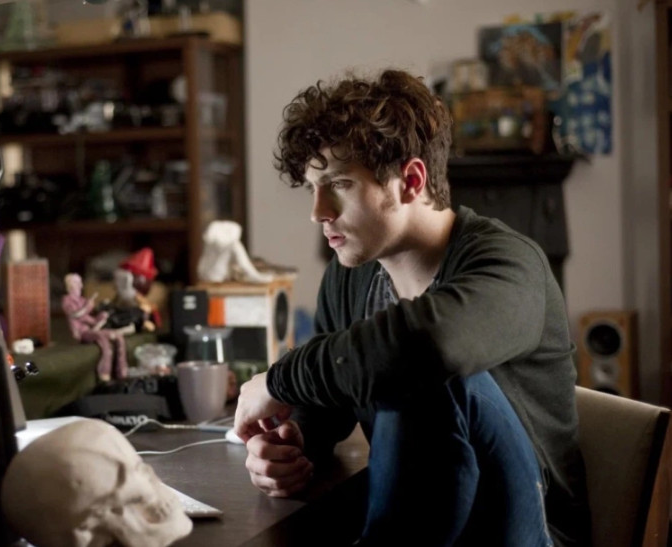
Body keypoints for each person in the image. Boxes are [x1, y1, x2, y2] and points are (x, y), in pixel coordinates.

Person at [233, 69, 590, 546]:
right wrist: (290, 447)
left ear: (411, 180)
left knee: (426, 371)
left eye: (339, 183)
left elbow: (430, 345)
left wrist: (279, 378)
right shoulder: (349, 275)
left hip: (533, 533)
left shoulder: (511, 264)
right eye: (312, 187)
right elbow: (327, 402)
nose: (318, 211)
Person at [61, 273, 128, 381]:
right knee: (103, 339)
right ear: (71, 285)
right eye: (78, 283)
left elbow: (88, 318)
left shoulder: (82, 300)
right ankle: (104, 371)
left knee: (118, 336)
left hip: (91, 330)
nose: (81, 286)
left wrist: (100, 318)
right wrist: (87, 306)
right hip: (82, 333)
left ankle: (121, 370)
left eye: (80, 283)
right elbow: (76, 315)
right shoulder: (67, 300)